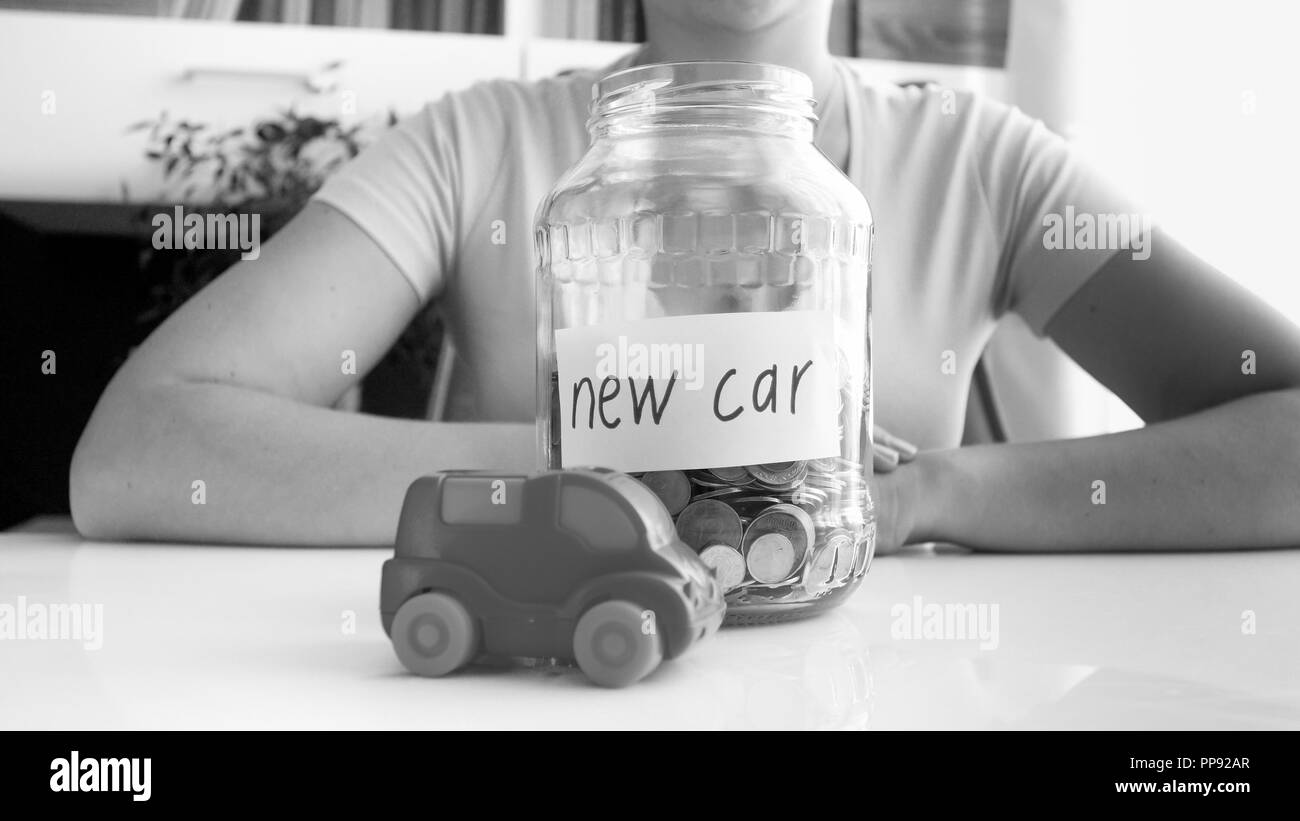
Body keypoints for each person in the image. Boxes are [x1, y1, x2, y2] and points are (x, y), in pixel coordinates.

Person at [70, 0, 1300, 552]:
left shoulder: (987, 165)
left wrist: (942, 493)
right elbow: (136, 450)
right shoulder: (476, 144)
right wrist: (607, 468)